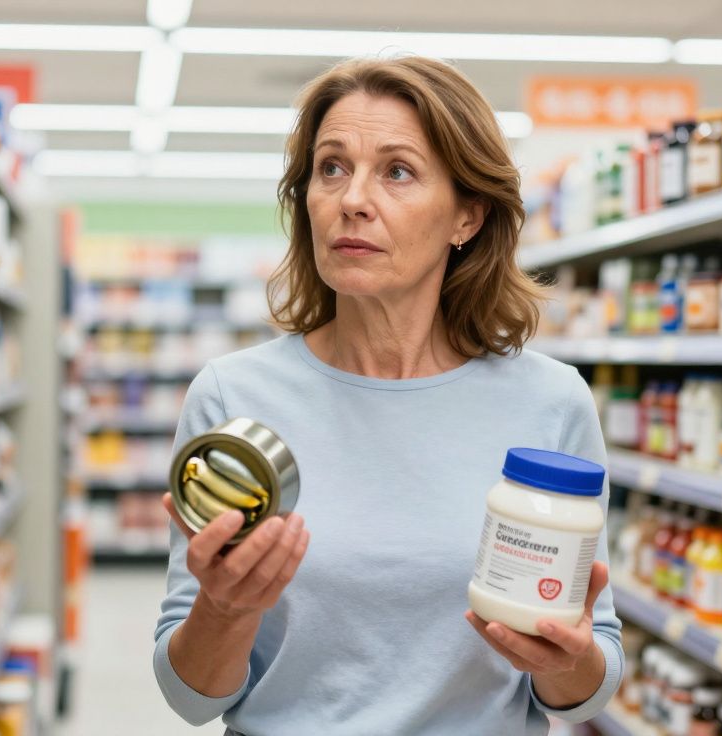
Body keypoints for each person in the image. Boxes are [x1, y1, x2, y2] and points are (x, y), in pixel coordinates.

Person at [153, 56, 622, 735]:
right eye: (331, 168)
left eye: (397, 171)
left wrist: (566, 658)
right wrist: (223, 611)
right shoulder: (235, 398)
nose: (352, 199)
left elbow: (584, 688)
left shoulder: (550, 401)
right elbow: (192, 699)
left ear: (467, 214)